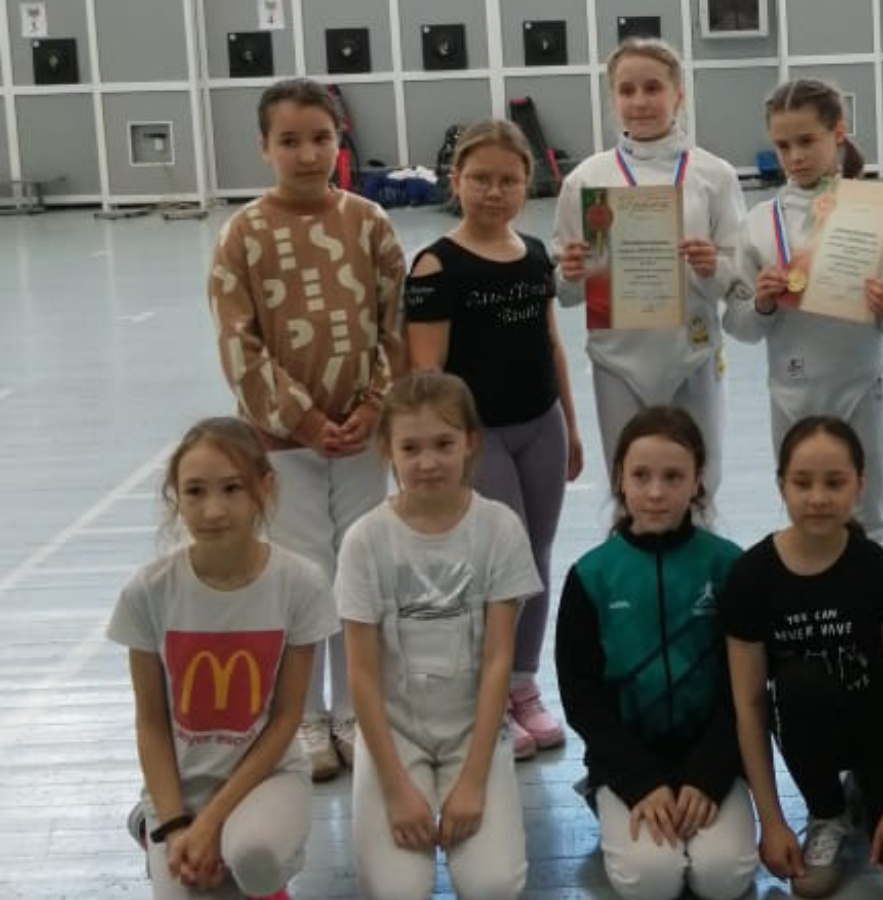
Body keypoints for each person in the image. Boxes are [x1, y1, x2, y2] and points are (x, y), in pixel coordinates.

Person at [209, 77, 406, 779]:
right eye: (289, 141)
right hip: (281, 446)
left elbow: (395, 322)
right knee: (303, 575)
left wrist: (373, 407)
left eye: (320, 138)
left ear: (338, 141)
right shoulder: (243, 234)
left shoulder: (370, 222)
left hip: (362, 440)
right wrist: (306, 419)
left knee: (357, 569)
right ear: (264, 147)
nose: (307, 154)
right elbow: (239, 344)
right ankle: (307, 716)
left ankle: (354, 709)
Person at [405, 118, 582, 759]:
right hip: (481, 439)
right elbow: (427, 374)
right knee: (495, 562)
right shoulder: (436, 266)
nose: (493, 191)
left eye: (508, 180)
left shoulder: (535, 255)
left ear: (526, 182)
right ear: (456, 180)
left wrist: (571, 424)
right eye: (479, 178)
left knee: (536, 555)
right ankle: (488, 691)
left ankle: (523, 684)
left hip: (541, 425)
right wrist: (447, 450)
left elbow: (551, 344)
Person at [111, 418, 336, 900]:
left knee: (252, 856)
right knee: (189, 878)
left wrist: (211, 823)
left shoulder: (300, 584)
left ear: (264, 488)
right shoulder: (147, 592)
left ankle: (255, 865)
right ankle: (150, 826)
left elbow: (286, 719)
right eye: (195, 491)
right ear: (176, 497)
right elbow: (151, 723)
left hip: (267, 780)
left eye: (232, 488)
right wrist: (176, 827)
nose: (213, 510)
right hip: (179, 788)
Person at [725, 417, 883, 898]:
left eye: (834, 482)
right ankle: (827, 810)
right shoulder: (752, 577)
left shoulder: (880, 573)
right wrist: (772, 822)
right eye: (802, 483)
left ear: (860, 484)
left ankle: (872, 791)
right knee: (798, 684)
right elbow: (749, 705)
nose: (818, 498)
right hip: (809, 726)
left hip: (879, 727)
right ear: (781, 485)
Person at [338, 372, 537, 900]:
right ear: (388, 449)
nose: (427, 462)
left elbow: (498, 660)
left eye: (443, 444)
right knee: (398, 890)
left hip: (473, 731)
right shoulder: (365, 541)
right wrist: (395, 787)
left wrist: (473, 780)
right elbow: (361, 675)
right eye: (411, 447)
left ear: (470, 442)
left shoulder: (499, 529)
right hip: (395, 733)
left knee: (493, 885)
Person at [555, 407, 758, 900]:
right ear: (619, 480)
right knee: (652, 880)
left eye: (673, 477)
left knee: (724, 877)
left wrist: (710, 775)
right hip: (628, 761)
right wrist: (639, 780)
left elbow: (748, 689)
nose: (655, 492)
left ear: (697, 482)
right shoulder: (591, 576)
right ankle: (605, 796)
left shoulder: (729, 566)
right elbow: (582, 699)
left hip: (711, 757)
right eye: (641, 476)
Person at [723, 78, 883, 541]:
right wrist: (762, 303)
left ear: (838, 133)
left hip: (862, 391)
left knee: (868, 520)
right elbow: (739, 326)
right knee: (805, 516)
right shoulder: (759, 225)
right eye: (783, 145)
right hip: (791, 395)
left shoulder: (873, 216)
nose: (795, 156)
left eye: (807, 141)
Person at [553, 38, 746, 498]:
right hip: (617, 362)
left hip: (692, 353)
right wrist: (572, 273)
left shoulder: (713, 175)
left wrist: (712, 266)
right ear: (613, 98)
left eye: (653, 88)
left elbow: (738, 279)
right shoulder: (586, 180)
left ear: (679, 94)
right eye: (627, 90)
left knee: (699, 487)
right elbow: (566, 292)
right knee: (630, 489)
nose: (640, 102)